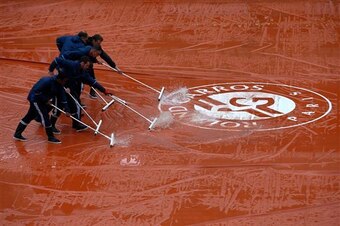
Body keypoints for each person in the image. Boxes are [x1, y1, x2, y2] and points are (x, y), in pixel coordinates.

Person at [48, 55, 113, 131]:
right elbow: (57, 60)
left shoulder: (83, 72)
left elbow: (93, 82)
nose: (88, 67)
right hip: (60, 86)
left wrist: (104, 90)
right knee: (58, 106)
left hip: (70, 88)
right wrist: (51, 70)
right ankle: (50, 125)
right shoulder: (71, 64)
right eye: (87, 65)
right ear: (82, 63)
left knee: (76, 105)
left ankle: (76, 124)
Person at [13, 74, 70, 144]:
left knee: (30, 116)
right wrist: (45, 100)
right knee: (45, 116)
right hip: (36, 99)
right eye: (64, 81)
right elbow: (36, 92)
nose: (65, 83)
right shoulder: (46, 81)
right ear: (60, 79)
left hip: (42, 100)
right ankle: (50, 137)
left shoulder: (60, 84)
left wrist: (67, 110)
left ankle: (17, 134)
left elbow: (62, 97)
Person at [86, 34, 123, 98]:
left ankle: (92, 92)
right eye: (98, 43)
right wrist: (94, 60)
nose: (99, 44)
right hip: (81, 62)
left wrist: (116, 67)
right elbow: (87, 56)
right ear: (93, 40)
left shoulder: (96, 46)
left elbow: (105, 57)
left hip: (87, 62)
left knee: (92, 78)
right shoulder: (85, 45)